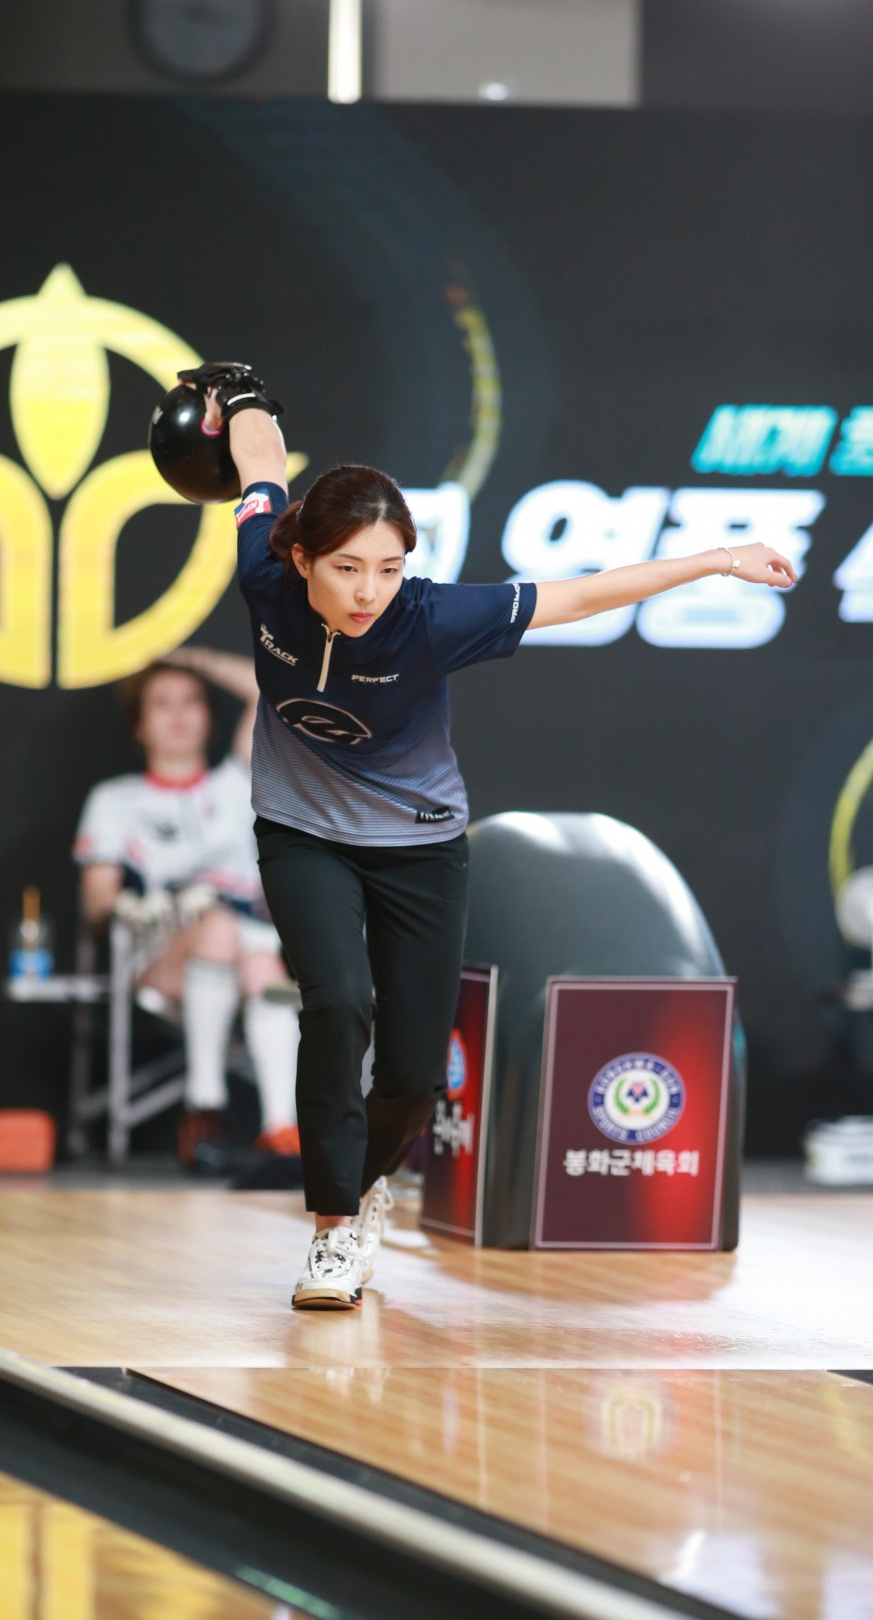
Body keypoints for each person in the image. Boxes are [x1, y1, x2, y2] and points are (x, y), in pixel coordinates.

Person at [182, 363, 796, 1310]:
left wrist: (717, 559)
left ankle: (369, 1182)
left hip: (421, 848)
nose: (369, 591)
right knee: (337, 1004)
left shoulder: (432, 619)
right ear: (301, 560)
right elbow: (260, 463)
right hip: (304, 832)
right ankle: (334, 1232)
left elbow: (583, 595)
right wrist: (245, 396)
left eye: (389, 568)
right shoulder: (264, 573)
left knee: (415, 1070)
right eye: (347, 568)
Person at [73, 649, 299, 1165]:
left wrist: (193, 660)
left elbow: (273, 690)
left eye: (190, 701)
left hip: (248, 953)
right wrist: (140, 908)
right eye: (162, 704)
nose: (178, 715)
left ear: (209, 717)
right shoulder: (115, 800)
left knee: (265, 967)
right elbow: (98, 904)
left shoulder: (236, 784)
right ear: (140, 726)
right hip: (162, 959)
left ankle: (280, 1131)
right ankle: (203, 1106)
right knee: (223, 933)